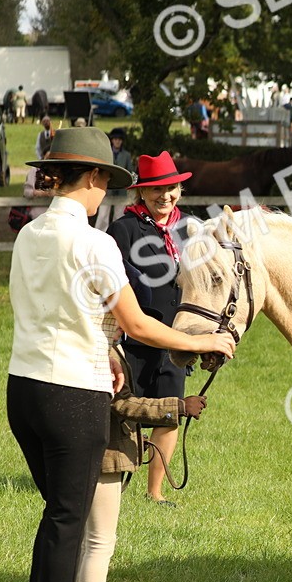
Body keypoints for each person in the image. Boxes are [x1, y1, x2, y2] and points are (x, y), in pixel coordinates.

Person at [9, 127, 233, 582]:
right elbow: (137, 323)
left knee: (58, 517)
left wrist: (106, 349)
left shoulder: (29, 234)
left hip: (23, 387)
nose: (104, 193)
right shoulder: (96, 243)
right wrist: (201, 342)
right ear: (92, 176)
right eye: (105, 182)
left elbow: (63, 308)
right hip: (71, 394)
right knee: (68, 521)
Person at [70, 340, 207, 582]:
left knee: (81, 540)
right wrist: (179, 407)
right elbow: (121, 404)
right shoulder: (103, 349)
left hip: (88, 451)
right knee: (99, 542)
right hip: (105, 457)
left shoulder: (93, 343)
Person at [106, 151, 197, 504]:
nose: (166, 195)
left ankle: (155, 492)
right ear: (141, 192)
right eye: (157, 189)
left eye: (171, 188)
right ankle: (112, 480)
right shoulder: (124, 229)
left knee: (170, 412)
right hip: (133, 337)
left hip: (177, 339)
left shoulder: (192, 228)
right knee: (125, 411)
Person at [94, 128, 135, 231]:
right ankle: (100, 234)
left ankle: (117, 234)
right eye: (115, 139)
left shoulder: (126, 155)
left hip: (121, 190)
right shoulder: (106, 152)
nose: (117, 141)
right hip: (106, 189)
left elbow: (130, 170)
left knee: (119, 216)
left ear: (122, 141)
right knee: (103, 215)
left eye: (119, 139)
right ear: (112, 140)